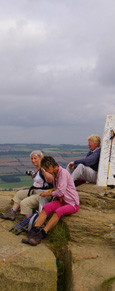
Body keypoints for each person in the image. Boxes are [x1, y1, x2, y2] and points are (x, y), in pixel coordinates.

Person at [22, 156, 79, 246]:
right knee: (46, 208)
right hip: (61, 201)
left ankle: (42, 234)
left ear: (51, 166)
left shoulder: (63, 173)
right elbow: (57, 188)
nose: (46, 171)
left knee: (58, 211)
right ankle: (34, 231)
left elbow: (60, 192)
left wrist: (47, 194)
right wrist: (50, 190)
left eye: (46, 169)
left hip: (71, 203)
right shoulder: (55, 173)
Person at [0, 150, 53, 221]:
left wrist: (44, 172)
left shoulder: (44, 168)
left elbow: (50, 180)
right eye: (32, 159)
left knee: (24, 203)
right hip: (35, 190)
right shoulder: (38, 169)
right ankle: (12, 212)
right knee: (19, 194)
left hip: (44, 194)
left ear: (40, 158)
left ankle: (32, 223)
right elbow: (39, 181)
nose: (33, 160)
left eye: (35, 158)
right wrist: (33, 174)